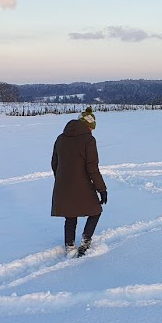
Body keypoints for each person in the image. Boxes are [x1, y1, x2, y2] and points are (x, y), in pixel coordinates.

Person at [51, 107, 107, 257]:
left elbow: (54, 163)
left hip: (63, 185)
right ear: (88, 126)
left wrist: (62, 179)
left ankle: (70, 246)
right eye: (92, 128)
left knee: (70, 216)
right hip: (83, 185)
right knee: (96, 211)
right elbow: (92, 168)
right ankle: (85, 241)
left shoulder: (60, 138)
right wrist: (102, 189)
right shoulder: (89, 140)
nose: (92, 131)